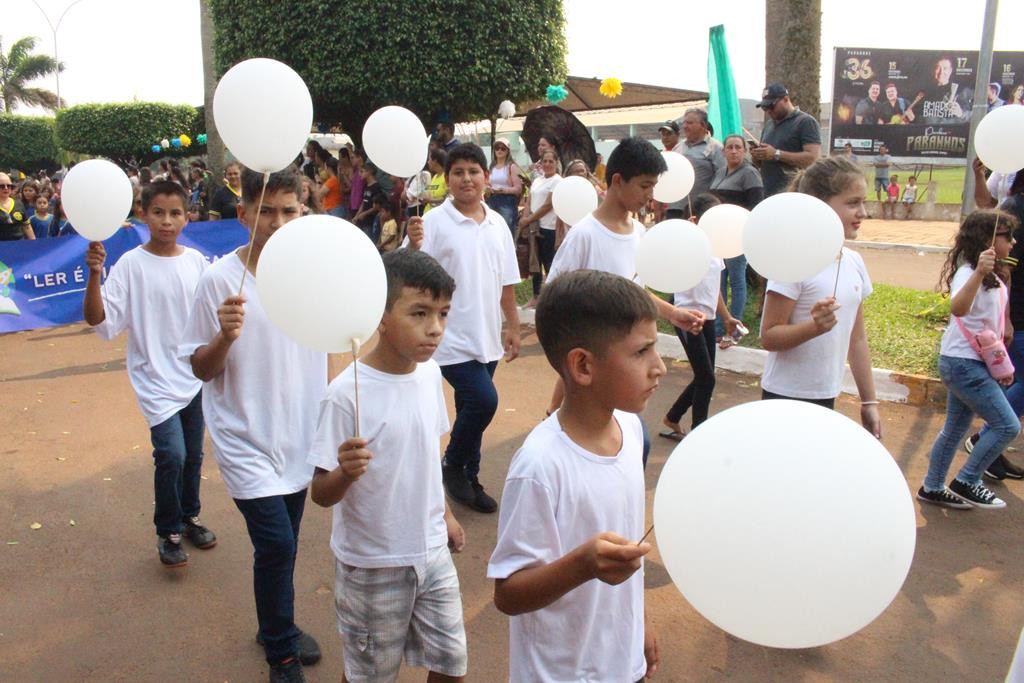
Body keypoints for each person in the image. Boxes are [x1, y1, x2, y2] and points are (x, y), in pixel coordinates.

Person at [181, 168, 325, 680]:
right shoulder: (219, 280)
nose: (278, 221)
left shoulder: (313, 274)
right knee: (277, 544)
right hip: (245, 438)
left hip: (300, 434)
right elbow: (200, 367)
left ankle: (273, 624)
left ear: (303, 213)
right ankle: (281, 652)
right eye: (266, 210)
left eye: (290, 210)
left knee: (287, 539)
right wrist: (224, 336)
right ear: (242, 214)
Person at [488, 269, 661, 683]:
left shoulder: (632, 429)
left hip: (621, 663)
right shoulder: (540, 467)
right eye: (641, 353)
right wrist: (582, 565)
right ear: (582, 365)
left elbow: (626, 547)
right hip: (560, 672)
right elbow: (509, 594)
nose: (658, 368)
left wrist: (639, 621)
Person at [308, 248, 468, 683]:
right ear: (380, 314)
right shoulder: (345, 394)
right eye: (419, 313)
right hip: (372, 562)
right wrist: (344, 471)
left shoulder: (429, 374)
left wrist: (447, 514)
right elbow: (321, 494)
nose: (434, 328)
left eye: (443, 313)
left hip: (431, 550)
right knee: (369, 675)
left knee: (452, 664)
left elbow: (427, 453)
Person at [82, 180, 215, 568]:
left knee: (193, 455)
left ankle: (190, 516)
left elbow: (209, 315)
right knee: (171, 455)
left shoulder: (195, 262)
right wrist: (94, 275)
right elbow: (98, 319)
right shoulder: (130, 265)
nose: (167, 221)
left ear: (188, 217)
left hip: (193, 376)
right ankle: (168, 531)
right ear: (142, 214)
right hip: (155, 380)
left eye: (176, 213)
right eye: (158, 212)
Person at [542, 137, 704, 434]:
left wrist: (673, 313)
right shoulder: (584, 235)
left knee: (631, 437)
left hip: (625, 363)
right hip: (594, 361)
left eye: (653, 186)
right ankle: (554, 423)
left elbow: (634, 292)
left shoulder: (639, 233)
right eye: (644, 186)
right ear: (617, 180)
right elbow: (553, 296)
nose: (650, 195)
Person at [405, 143, 521, 514]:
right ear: (447, 179)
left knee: (470, 405)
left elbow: (507, 282)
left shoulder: (497, 223)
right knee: (484, 401)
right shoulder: (433, 222)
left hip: (486, 335)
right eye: (458, 172)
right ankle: (453, 464)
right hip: (447, 337)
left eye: (474, 171)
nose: (467, 178)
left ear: (486, 177)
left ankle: (470, 476)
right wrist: (414, 243)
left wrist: (513, 327)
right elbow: (406, 271)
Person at [759, 156, 881, 438]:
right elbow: (769, 336)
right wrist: (813, 328)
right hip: (785, 397)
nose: (862, 212)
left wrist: (869, 402)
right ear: (819, 206)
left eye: (863, 202)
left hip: (826, 394)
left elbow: (857, 339)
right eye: (852, 203)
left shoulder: (854, 262)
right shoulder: (793, 262)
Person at [918, 210, 1020, 510]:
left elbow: (992, 312)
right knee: (1007, 426)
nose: (1013, 242)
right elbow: (958, 308)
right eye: (1007, 237)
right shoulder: (969, 271)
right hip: (963, 363)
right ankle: (967, 479)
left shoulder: (996, 271)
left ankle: (932, 487)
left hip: (971, 360)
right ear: (987, 240)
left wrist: (1007, 324)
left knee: (954, 429)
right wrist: (978, 274)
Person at [660, 193, 741, 441]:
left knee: (705, 376)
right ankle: (698, 435)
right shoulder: (686, 247)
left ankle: (673, 416)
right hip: (687, 316)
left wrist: (726, 317)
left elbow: (713, 288)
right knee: (706, 377)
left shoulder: (717, 250)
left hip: (707, 318)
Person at [963, 174, 1024, 480]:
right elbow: (1006, 272)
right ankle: (985, 442)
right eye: (1008, 238)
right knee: (1020, 387)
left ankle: (984, 445)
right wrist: (1009, 319)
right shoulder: (1014, 209)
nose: (1011, 242)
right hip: (1019, 315)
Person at [710, 134, 764, 342]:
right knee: (719, 279)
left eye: (738, 147)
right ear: (723, 151)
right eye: (729, 147)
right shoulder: (720, 172)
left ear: (744, 151)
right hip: (717, 235)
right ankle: (718, 326)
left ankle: (735, 326)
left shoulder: (750, 174)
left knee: (737, 280)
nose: (733, 151)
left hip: (737, 235)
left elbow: (755, 206)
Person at [750, 83, 822, 197]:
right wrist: (758, 155)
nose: (768, 111)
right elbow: (764, 162)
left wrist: (776, 154)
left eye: (771, 106)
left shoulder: (805, 122)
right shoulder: (769, 125)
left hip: (793, 194)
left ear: (786, 99)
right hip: (769, 193)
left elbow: (813, 158)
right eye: (765, 107)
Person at [518, 149, 561, 306]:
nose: (548, 164)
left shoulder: (557, 181)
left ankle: (552, 298)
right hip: (534, 228)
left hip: (549, 228)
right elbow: (529, 201)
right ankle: (536, 296)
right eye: (545, 161)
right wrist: (525, 218)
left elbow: (548, 206)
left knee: (549, 264)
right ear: (541, 163)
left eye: (551, 161)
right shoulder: (537, 180)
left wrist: (529, 219)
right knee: (535, 262)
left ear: (556, 163)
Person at [667, 110, 725, 219]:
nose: (684, 126)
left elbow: (722, 178)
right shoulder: (677, 148)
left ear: (703, 125)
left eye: (689, 123)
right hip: (675, 208)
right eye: (684, 123)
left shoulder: (716, 148)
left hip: (700, 210)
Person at [486, 137, 523, 236]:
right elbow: (488, 183)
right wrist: (488, 188)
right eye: (497, 148)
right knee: (491, 230)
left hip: (507, 201)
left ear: (508, 151)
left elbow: (518, 189)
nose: (499, 150)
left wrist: (503, 190)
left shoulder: (511, 167)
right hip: (491, 199)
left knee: (507, 231)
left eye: (503, 148)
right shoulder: (492, 167)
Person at [922, 55, 973, 124]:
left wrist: (961, 114)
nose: (941, 72)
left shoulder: (963, 92)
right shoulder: (924, 93)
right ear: (933, 70)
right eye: (937, 68)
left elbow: (979, 117)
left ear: (950, 71)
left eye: (945, 68)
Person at [353, 162, 384, 242]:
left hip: (371, 220)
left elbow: (377, 206)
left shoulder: (376, 187)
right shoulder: (366, 186)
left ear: (369, 172)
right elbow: (364, 202)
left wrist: (364, 213)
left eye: (362, 171)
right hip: (364, 220)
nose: (360, 174)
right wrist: (357, 216)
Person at [0, 172, 34, 240]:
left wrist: (34, 243)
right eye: (2, 186)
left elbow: (27, 226)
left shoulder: (18, 204)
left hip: (19, 245)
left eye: (9, 186)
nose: (6, 188)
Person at [421, 148, 448, 215]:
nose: (428, 162)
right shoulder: (435, 177)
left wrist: (430, 200)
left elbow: (448, 198)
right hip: (428, 213)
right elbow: (429, 191)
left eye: (429, 159)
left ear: (435, 161)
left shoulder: (447, 177)